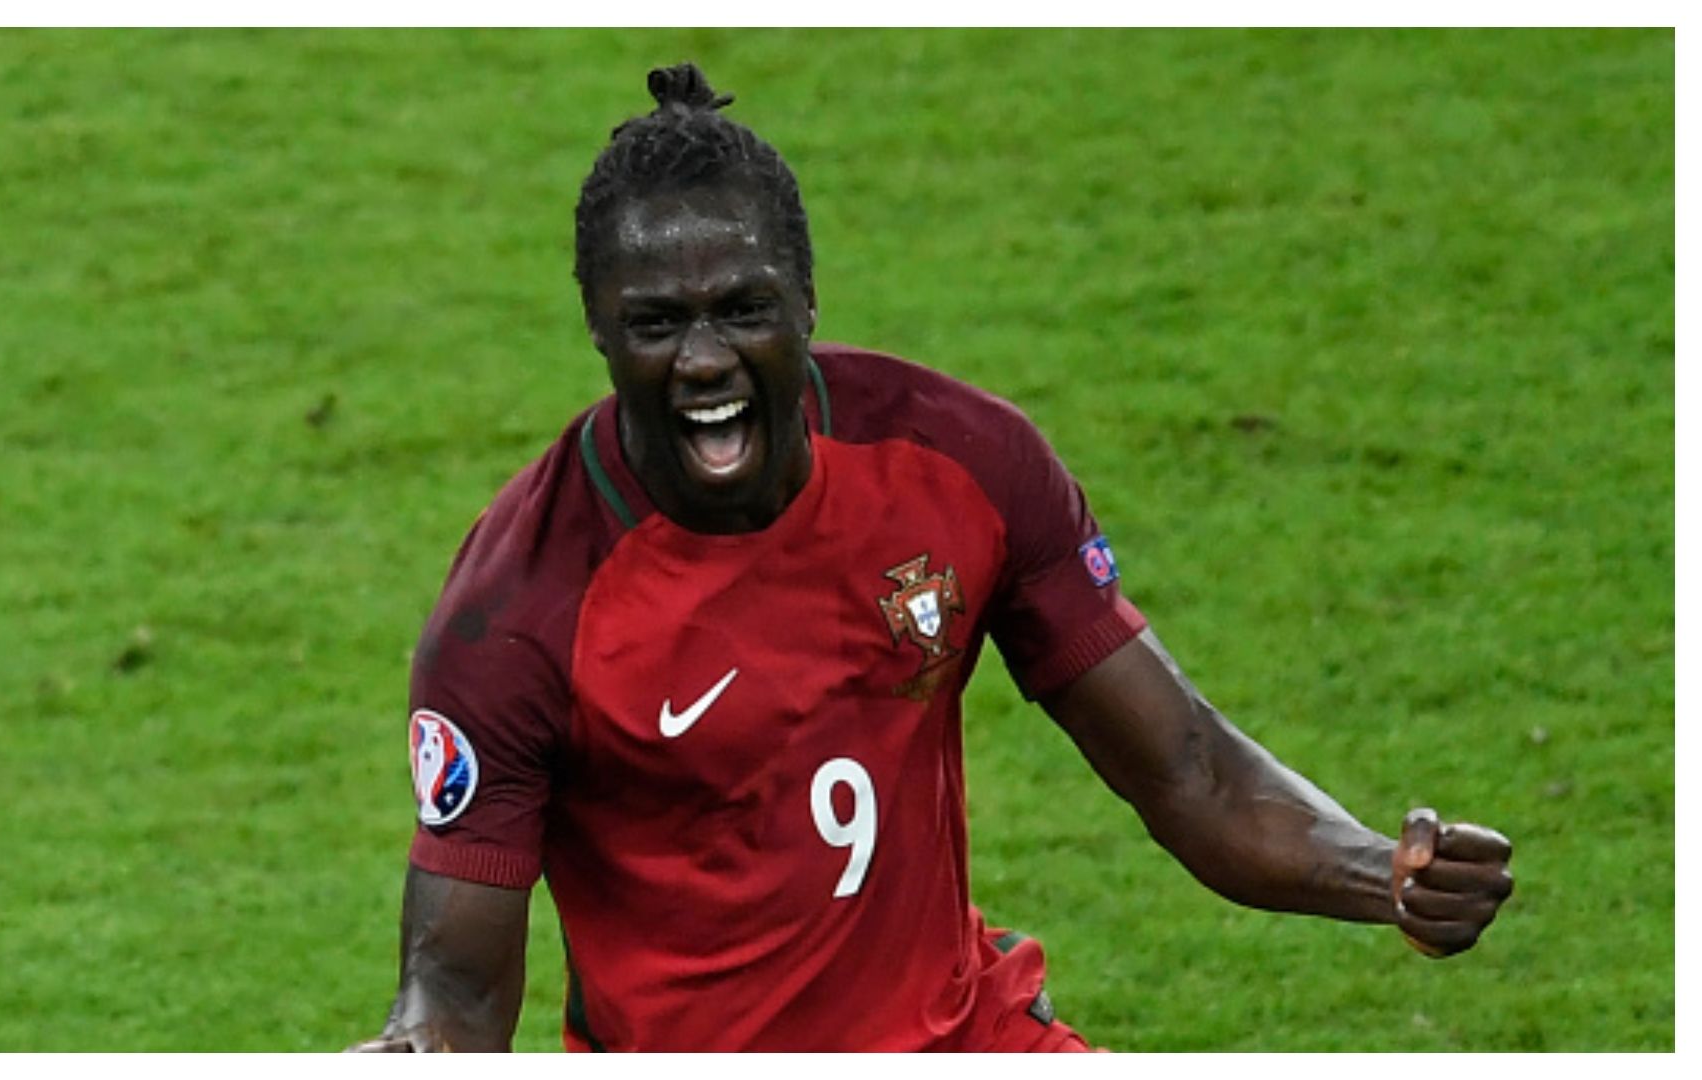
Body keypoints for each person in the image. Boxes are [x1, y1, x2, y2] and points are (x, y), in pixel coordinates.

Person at [348, 63, 1513, 1053]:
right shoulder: (517, 615)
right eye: (657, 323)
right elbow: (453, 985)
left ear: (807, 299)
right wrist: (407, 1050)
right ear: (598, 327)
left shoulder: (960, 465)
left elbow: (1189, 771)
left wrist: (1386, 877)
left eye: (743, 309)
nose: (704, 360)